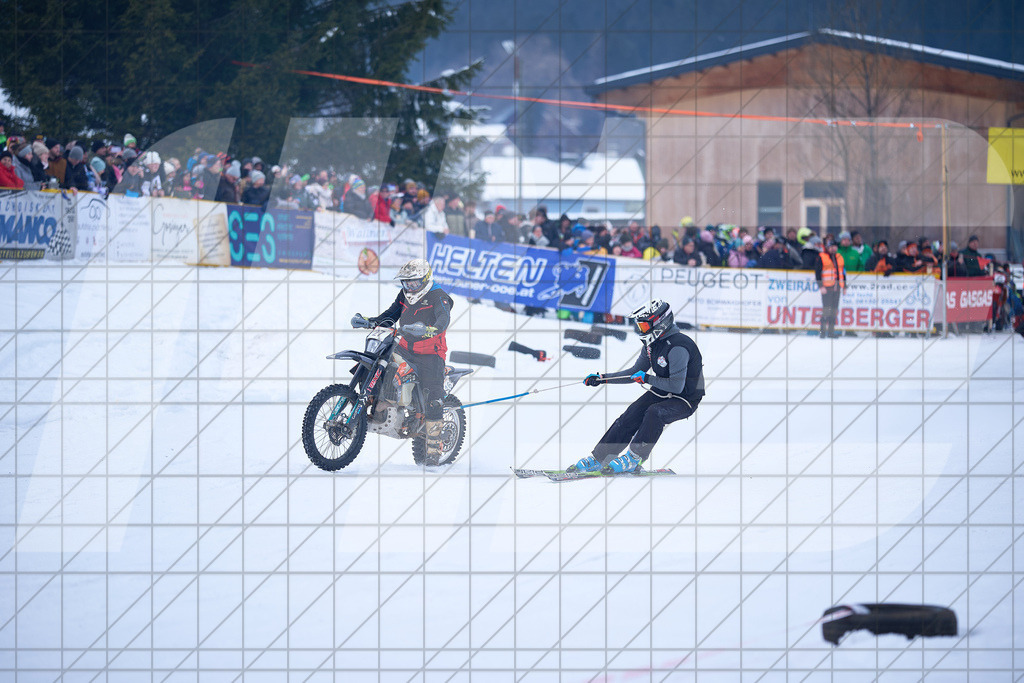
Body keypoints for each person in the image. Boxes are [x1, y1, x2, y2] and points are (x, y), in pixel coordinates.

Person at [569, 300, 704, 474]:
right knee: (630, 415)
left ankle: (634, 458)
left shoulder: (679, 346)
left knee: (655, 412)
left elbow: (677, 386)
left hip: (685, 399)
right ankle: (600, 458)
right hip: (661, 392)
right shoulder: (651, 344)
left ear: (660, 322)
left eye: (644, 325)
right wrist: (602, 379)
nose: (640, 329)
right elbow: (633, 372)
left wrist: (647, 378)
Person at [357, 259, 454, 465]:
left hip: (431, 353)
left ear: (426, 279)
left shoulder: (439, 297)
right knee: (375, 364)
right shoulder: (404, 295)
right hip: (404, 347)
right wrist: (370, 321)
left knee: (433, 398)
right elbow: (390, 315)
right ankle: (374, 404)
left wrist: (433, 329)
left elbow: (443, 318)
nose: (409, 287)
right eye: (406, 283)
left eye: (413, 283)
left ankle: (434, 449)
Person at [815, 236, 847, 338]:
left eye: (835, 246)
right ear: (827, 247)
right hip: (827, 287)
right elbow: (818, 273)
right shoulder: (822, 257)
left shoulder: (839, 257)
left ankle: (831, 332)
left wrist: (845, 286)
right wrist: (821, 286)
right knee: (826, 310)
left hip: (837, 288)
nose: (833, 248)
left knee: (834, 310)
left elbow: (843, 272)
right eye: (831, 246)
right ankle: (822, 332)